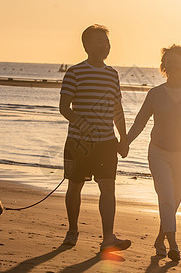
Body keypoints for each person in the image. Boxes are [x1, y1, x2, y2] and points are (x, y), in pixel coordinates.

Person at [127, 45, 181, 261]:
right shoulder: (155, 94)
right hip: (159, 153)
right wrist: (124, 142)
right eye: (169, 61)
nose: (173, 64)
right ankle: (173, 244)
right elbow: (139, 122)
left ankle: (159, 239)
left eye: (178, 61)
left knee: (174, 199)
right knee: (166, 196)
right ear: (164, 65)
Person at [59, 24, 131, 252]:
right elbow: (64, 108)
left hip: (107, 143)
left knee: (108, 187)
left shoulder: (112, 74)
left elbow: (117, 109)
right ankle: (72, 230)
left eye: (107, 42)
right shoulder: (75, 72)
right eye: (99, 41)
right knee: (75, 186)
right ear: (87, 45)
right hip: (79, 143)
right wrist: (83, 125)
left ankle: (108, 238)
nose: (105, 46)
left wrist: (123, 138)